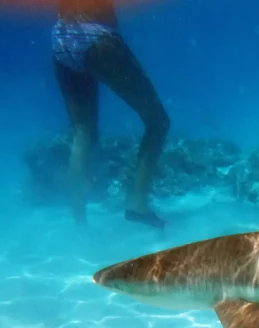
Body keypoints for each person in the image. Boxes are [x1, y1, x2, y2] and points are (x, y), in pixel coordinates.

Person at [51, 0, 170, 227]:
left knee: (82, 132)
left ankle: (79, 225)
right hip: (98, 38)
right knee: (158, 122)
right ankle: (138, 204)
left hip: (61, 37)